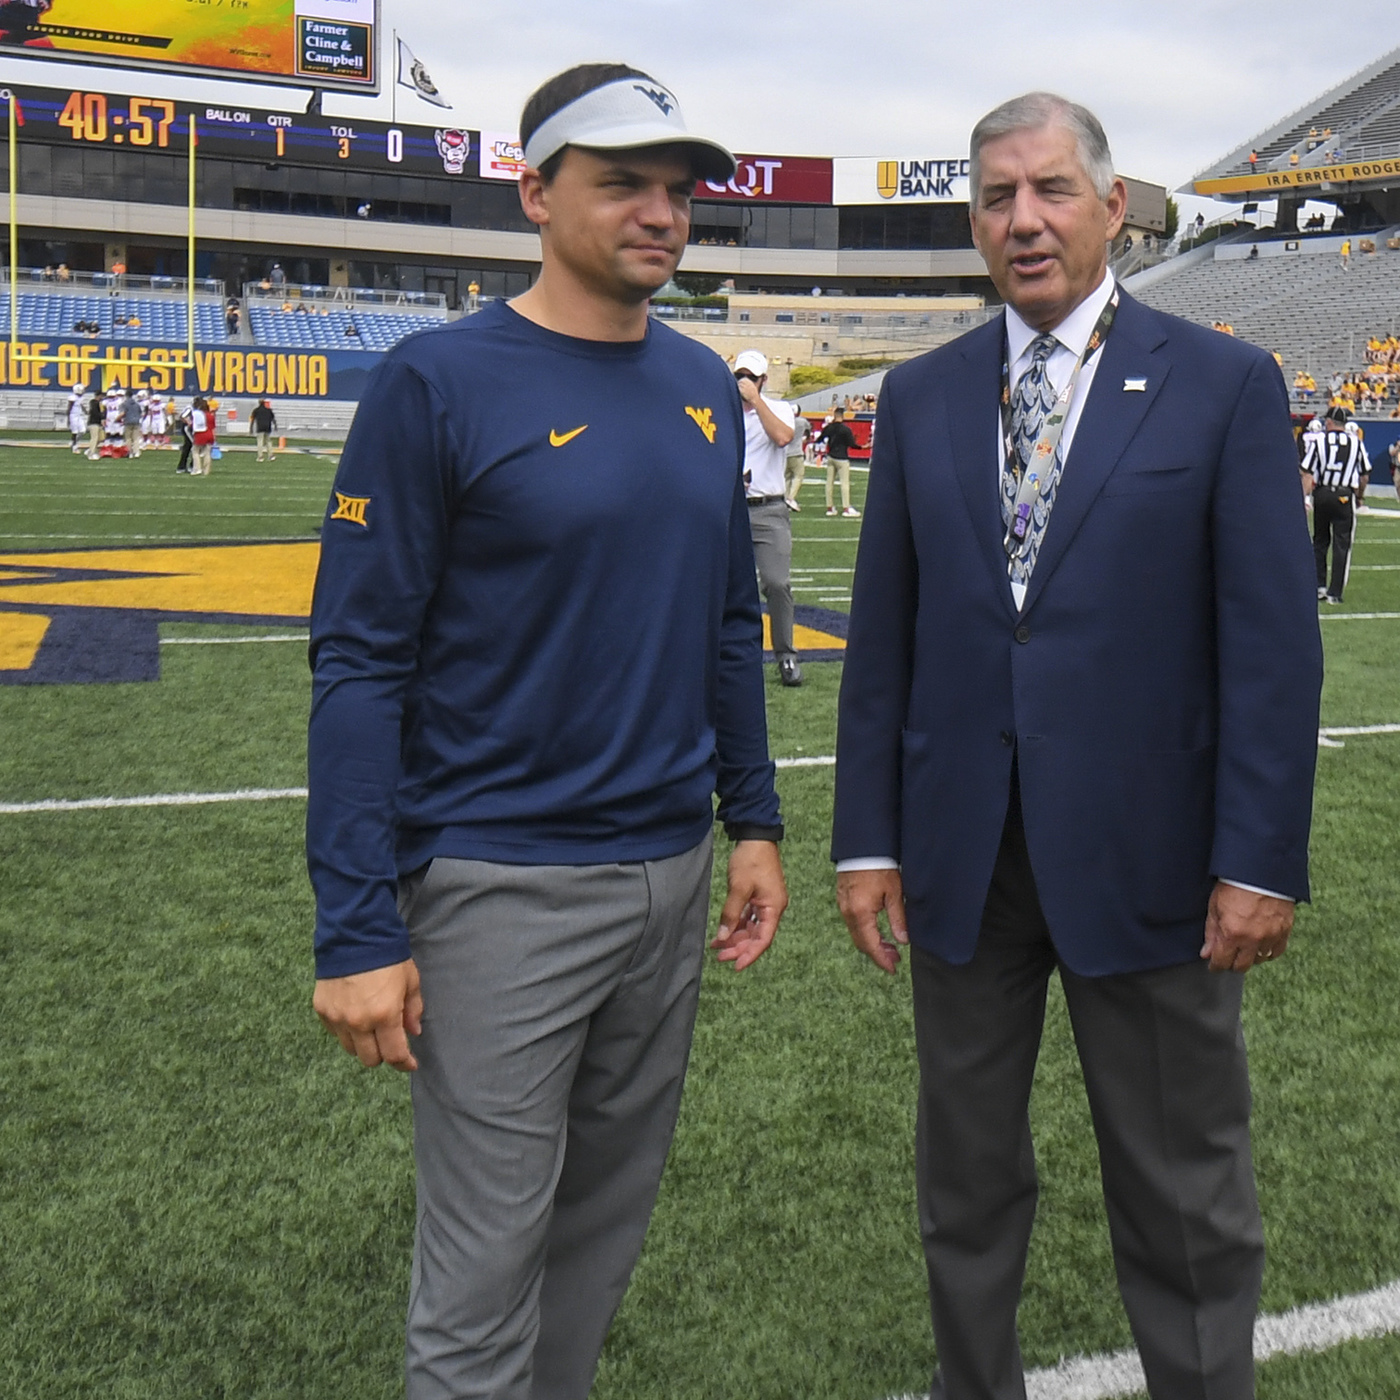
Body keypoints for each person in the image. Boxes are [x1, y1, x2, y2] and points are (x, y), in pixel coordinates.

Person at [306, 62, 788, 1400]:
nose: (660, 213)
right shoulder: (438, 382)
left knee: (594, 1242)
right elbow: (355, 660)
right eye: (621, 181)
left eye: (677, 190)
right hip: (496, 886)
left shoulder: (701, 385)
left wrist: (753, 822)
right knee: (478, 1280)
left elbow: (726, 628)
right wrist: (357, 924)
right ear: (535, 191)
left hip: (671, 879)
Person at [832, 91, 1321, 1400]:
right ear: (975, 224)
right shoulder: (925, 395)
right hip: (963, 862)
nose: (1025, 219)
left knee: (1184, 1194)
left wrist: (1262, 859)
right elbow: (884, 641)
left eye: (1051, 190)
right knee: (966, 1184)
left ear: (1114, 207)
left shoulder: (1223, 384)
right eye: (998, 197)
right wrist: (867, 841)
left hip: (1156, 864)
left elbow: (1273, 647)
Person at [734, 348, 802, 688]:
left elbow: (782, 437)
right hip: (729, 507)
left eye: (750, 377)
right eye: (739, 376)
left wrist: (756, 402)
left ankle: (786, 654)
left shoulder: (777, 409)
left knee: (776, 582)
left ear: (763, 380)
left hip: (768, 509)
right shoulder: (722, 410)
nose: (744, 383)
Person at [1303, 406, 1369, 603]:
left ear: (1330, 422)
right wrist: (1359, 496)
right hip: (1344, 494)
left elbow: (1307, 471)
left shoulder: (1319, 441)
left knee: (1320, 541)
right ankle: (1335, 593)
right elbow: (1364, 474)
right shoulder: (1356, 443)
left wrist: (1305, 498)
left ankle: (1319, 586)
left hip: (1322, 493)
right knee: (1342, 544)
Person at [817, 405, 859, 515]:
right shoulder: (846, 429)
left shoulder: (829, 427)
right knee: (844, 483)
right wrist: (862, 447)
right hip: (842, 458)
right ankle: (846, 508)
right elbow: (852, 444)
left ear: (835, 415)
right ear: (843, 416)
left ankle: (830, 508)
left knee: (829, 482)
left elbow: (820, 439)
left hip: (831, 456)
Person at [784, 411, 808, 508]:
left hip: (785, 453)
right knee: (798, 475)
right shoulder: (802, 421)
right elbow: (809, 428)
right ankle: (791, 498)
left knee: (786, 477)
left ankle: (785, 498)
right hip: (796, 452)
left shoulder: (785, 420)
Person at [189, 396, 215, 474]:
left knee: (195, 451)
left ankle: (197, 468)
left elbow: (193, 424)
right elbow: (213, 428)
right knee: (207, 452)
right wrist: (214, 437)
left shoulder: (199, 414)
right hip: (210, 434)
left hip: (201, 434)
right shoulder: (210, 415)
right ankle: (206, 471)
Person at [122, 388, 143, 458]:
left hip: (128, 422)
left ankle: (130, 452)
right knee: (136, 438)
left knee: (128, 438)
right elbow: (140, 412)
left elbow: (123, 413)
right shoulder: (137, 404)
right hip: (136, 422)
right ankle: (136, 452)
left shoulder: (125, 404)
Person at [84, 389, 103, 458]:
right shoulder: (95, 403)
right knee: (94, 438)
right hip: (94, 422)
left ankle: (90, 449)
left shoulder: (95, 403)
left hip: (96, 423)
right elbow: (95, 413)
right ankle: (91, 453)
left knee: (101, 437)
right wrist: (102, 416)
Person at [66, 388, 86, 453]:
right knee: (75, 432)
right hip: (73, 415)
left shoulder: (81, 398)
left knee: (83, 431)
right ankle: (75, 447)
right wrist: (68, 418)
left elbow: (81, 405)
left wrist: (85, 411)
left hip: (79, 415)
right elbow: (69, 407)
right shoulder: (72, 397)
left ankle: (73, 442)